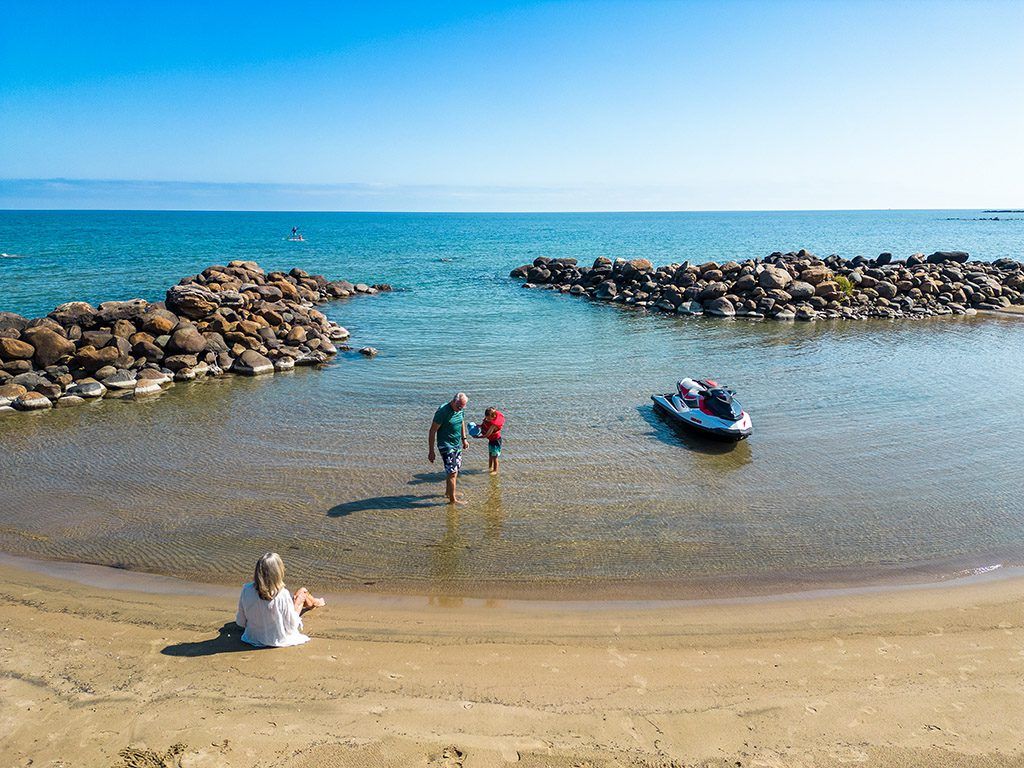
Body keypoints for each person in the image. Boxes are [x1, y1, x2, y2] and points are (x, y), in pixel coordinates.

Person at [235, 552, 325, 648]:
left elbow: (241, 622)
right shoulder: (282, 594)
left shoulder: (246, 590)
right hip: (277, 638)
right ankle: (316, 602)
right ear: (278, 572)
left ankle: (314, 602)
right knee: (302, 592)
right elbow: (291, 627)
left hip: (253, 637)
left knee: (299, 596)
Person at [428, 392, 469, 505]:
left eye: (462, 407)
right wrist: (431, 451)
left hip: (456, 444)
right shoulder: (442, 412)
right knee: (452, 472)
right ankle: (453, 500)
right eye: (458, 407)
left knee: (454, 470)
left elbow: (461, 421)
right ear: (453, 401)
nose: (460, 409)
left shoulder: (460, 409)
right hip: (445, 445)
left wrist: (464, 439)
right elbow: (432, 431)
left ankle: (448, 493)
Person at [474, 406, 505, 475]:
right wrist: (478, 426)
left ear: (493, 417)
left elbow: (487, 435)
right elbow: (483, 425)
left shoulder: (493, 425)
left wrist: (478, 437)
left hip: (496, 441)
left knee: (495, 457)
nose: (487, 419)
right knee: (490, 455)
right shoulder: (486, 420)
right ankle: (490, 467)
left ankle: (495, 470)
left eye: (489, 418)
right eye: (487, 418)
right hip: (491, 441)